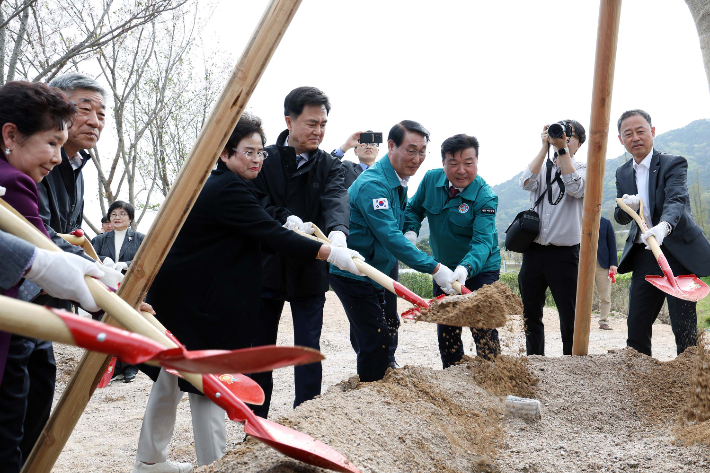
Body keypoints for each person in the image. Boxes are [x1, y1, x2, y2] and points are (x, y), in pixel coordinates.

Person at [132, 114, 361, 473]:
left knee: (170, 378)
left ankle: (150, 460)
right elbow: (270, 234)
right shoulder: (228, 189)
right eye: (248, 152)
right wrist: (330, 253)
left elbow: (266, 216)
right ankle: (215, 465)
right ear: (225, 154)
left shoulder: (231, 183)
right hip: (200, 304)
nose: (256, 159)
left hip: (185, 298)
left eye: (260, 153)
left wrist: (288, 218)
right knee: (210, 384)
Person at [0, 81, 103, 473]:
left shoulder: (40, 172)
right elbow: (43, 247)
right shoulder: (12, 180)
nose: (58, 158)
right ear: (11, 134)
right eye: (51, 144)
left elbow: (55, 244)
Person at [249, 87, 351, 420]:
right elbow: (254, 202)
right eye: (311, 123)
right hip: (267, 267)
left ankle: (306, 419)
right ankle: (256, 420)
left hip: (311, 268)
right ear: (289, 121)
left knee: (308, 348)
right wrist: (282, 217)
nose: (318, 131)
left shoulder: (329, 165)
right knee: (262, 350)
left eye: (323, 124)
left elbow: (336, 199)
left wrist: (338, 231)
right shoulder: (263, 159)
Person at [330, 120, 456, 383]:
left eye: (422, 151)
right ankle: (371, 392)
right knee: (375, 337)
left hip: (380, 271)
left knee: (385, 330)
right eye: (411, 150)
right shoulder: (373, 184)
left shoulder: (399, 179)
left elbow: (405, 215)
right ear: (391, 146)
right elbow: (389, 236)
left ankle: (380, 378)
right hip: (355, 271)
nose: (417, 158)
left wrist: (410, 228)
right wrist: (435, 268)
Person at [614, 109, 710, 356]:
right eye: (628, 134)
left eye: (641, 131)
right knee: (636, 322)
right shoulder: (622, 172)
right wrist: (628, 206)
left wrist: (663, 227)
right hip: (645, 252)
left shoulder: (672, 163)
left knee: (684, 326)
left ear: (652, 132)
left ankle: (688, 379)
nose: (635, 138)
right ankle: (639, 375)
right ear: (621, 139)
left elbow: (676, 201)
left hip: (677, 252)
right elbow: (621, 215)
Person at [405, 133, 502, 367]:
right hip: (443, 269)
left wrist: (466, 268)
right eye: (454, 163)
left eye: (468, 163)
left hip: (480, 270)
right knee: (448, 325)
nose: (461, 170)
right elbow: (413, 210)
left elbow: (482, 242)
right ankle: (452, 373)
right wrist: (410, 232)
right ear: (443, 163)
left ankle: (493, 373)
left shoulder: (485, 196)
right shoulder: (431, 180)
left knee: (482, 325)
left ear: (476, 162)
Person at [20, 73, 107, 307]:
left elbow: (71, 232)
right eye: (84, 110)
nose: (94, 122)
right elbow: (36, 230)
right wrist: (98, 275)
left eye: (101, 115)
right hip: (23, 292)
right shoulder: (31, 162)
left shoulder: (78, 167)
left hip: (51, 295)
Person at [518, 120, 587, 356]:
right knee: (530, 313)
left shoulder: (585, 168)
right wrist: (543, 147)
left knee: (569, 314)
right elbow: (525, 183)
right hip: (534, 251)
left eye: (571, 136)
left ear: (580, 143)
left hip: (565, 254)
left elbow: (576, 188)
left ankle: (571, 362)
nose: (565, 138)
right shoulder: (542, 166)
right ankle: (535, 359)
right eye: (560, 134)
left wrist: (562, 151)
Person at [332, 131, 400, 366]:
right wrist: (343, 146)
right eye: (363, 143)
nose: (369, 146)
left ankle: (389, 357)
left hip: (386, 254)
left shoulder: (391, 178)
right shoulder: (346, 171)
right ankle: (365, 353)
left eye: (374, 144)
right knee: (362, 312)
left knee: (389, 308)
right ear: (356, 149)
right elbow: (325, 168)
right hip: (357, 254)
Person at [91, 200, 146, 382]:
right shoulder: (99, 240)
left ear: (130, 218)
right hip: (105, 289)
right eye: (114, 214)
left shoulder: (140, 238)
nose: (117, 217)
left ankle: (130, 366)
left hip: (130, 288)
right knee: (107, 326)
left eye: (122, 214)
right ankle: (112, 367)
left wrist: (127, 265)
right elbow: (87, 255)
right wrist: (103, 259)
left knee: (129, 325)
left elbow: (146, 259)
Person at [595, 216, 618, 330]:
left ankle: (603, 320)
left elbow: (612, 244)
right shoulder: (580, 220)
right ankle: (578, 320)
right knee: (581, 295)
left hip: (602, 264)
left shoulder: (606, 222)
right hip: (583, 263)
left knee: (605, 295)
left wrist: (613, 264)